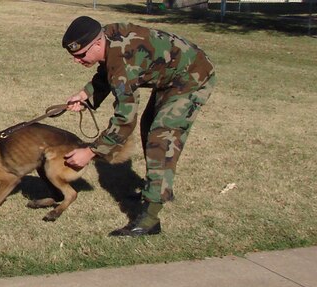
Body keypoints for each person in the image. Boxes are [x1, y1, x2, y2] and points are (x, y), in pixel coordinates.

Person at [59, 16, 216, 237]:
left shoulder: (124, 61)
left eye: (80, 55)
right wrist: (86, 95)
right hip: (171, 75)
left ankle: (150, 218)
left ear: (96, 43)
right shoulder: (108, 40)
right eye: (73, 56)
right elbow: (107, 70)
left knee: (161, 138)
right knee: (150, 126)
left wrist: (91, 151)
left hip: (192, 76)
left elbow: (124, 120)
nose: (77, 60)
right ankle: (159, 188)